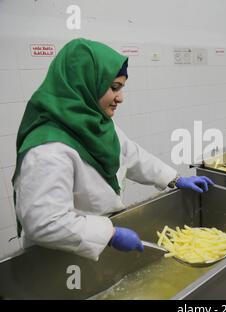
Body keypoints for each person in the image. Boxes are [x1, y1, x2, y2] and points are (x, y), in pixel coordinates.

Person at [12, 38, 214, 261]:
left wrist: (174, 179)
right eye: (114, 88)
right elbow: (44, 223)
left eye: (121, 88)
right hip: (58, 257)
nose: (120, 98)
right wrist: (110, 234)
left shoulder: (98, 125)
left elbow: (132, 156)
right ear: (84, 83)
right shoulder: (48, 149)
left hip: (95, 245)